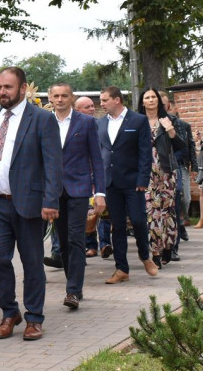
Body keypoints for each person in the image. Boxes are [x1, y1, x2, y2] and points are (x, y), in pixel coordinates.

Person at [0, 67, 62, 341]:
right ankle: (10, 312)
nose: (2, 92)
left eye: (7, 87)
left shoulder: (42, 119)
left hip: (30, 204)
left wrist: (51, 200)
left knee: (32, 262)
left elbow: (54, 164)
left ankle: (34, 318)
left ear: (23, 89)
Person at [48, 83, 105, 309]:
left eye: (64, 95)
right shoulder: (44, 122)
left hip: (79, 189)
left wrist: (99, 192)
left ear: (71, 98)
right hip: (53, 190)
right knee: (62, 242)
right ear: (51, 98)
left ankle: (72, 290)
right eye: (56, 96)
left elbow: (97, 160)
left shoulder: (87, 123)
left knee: (75, 239)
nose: (60, 99)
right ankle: (75, 285)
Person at [96, 86, 158, 284]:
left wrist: (142, 179)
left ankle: (144, 255)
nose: (101, 104)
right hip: (110, 183)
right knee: (118, 226)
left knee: (139, 221)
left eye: (105, 100)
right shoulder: (100, 123)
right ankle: (121, 268)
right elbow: (100, 153)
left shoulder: (138, 121)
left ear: (117, 100)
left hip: (132, 182)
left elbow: (145, 153)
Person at [140, 89, 181, 267]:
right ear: (142, 102)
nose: (151, 100)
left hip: (166, 172)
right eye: (147, 97)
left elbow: (181, 146)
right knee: (151, 211)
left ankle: (168, 246)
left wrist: (170, 129)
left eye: (153, 97)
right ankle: (155, 252)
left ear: (158, 100)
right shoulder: (137, 122)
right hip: (146, 172)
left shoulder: (169, 120)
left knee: (167, 211)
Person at [162, 93, 195, 258]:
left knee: (182, 199)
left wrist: (193, 165)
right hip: (154, 170)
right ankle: (169, 245)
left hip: (177, 166)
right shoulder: (144, 123)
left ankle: (179, 224)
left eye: (163, 103)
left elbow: (186, 146)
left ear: (168, 105)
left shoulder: (178, 123)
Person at [76, 96, 109, 258]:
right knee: (88, 213)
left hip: (99, 172)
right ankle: (91, 245)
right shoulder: (75, 126)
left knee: (102, 210)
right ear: (78, 110)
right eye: (87, 107)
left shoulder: (101, 125)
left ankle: (105, 244)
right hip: (83, 175)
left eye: (92, 106)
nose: (92, 109)